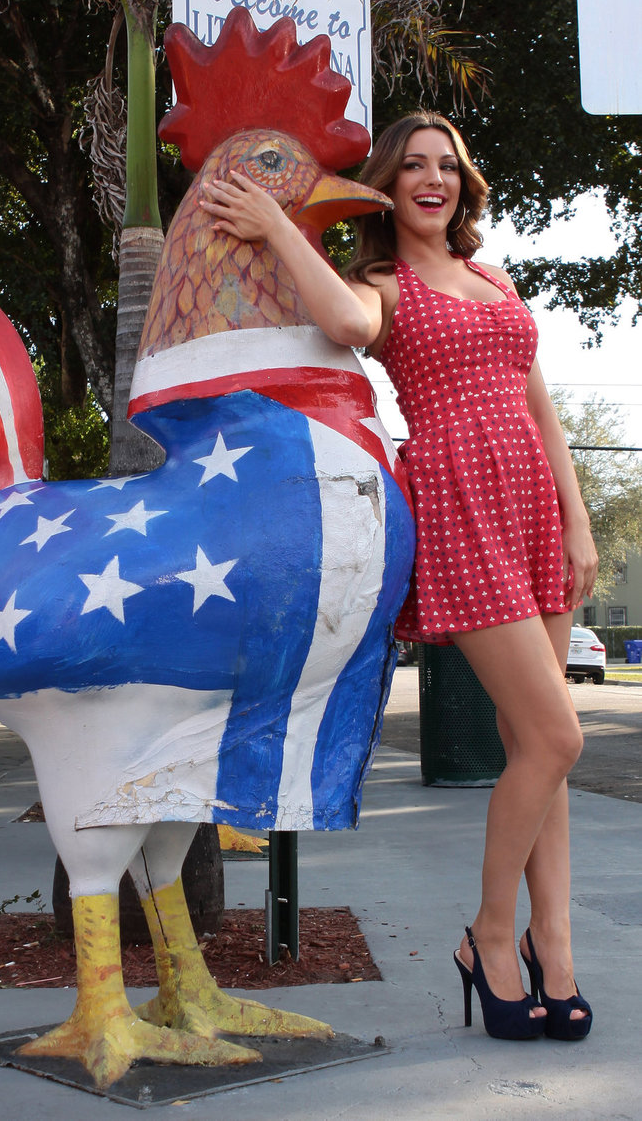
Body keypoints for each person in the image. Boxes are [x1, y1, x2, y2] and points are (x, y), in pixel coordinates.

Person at [199, 110, 596, 1042]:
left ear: (463, 180)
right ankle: (491, 939)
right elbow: (338, 321)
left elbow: (540, 410)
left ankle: (557, 943)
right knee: (554, 738)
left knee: (541, 751)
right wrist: (276, 224)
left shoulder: (494, 278)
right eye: (412, 165)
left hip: (533, 508)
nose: (434, 178)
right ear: (387, 184)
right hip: (459, 512)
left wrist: (576, 520)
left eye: (447, 164)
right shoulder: (376, 282)